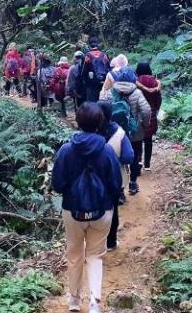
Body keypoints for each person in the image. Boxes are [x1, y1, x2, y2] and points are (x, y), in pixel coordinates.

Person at [52, 103, 122, 313]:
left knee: (74, 254)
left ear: (78, 121)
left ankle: (74, 301)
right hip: (102, 211)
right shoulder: (107, 150)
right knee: (95, 255)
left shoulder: (66, 150)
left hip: (72, 210)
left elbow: (57, 184)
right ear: (100, 123)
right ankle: (94, 302)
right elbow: (116, 184)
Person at [100, 68, 151, 195]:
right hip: (134, 131)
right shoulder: (137, 92)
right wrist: (144, 124)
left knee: (116, 159)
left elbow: (102, 109)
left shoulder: (111, 92)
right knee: (134, 157)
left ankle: (120, 189)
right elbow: (146, 110)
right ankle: (133, 183)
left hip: (115, 132)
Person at [98, 101, 134, 250]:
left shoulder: (91, 131)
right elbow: (129, 156)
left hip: (94, 178)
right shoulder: (119, 133)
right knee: (112, 210)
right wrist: (115, 159)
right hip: (115, 178)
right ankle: (111, 242)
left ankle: (96, 242)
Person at [135, 61, 162, 171]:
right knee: (148, 139)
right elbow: (159, 99)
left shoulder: (136, 81)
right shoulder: (155, 82)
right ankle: (147, 165)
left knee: (137, 139)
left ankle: (139, 161)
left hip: (138, 113)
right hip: (151, 112)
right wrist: (155, 109)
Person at [80, 37, 110, 103]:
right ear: (98, 45)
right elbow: (109, 69)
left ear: (89, 45)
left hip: (91, 83)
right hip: (104, 82)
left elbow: (83, 71)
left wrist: (84, 82)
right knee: (103, 100)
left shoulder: (87, 56)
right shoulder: (104, 55)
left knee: (92, 102)